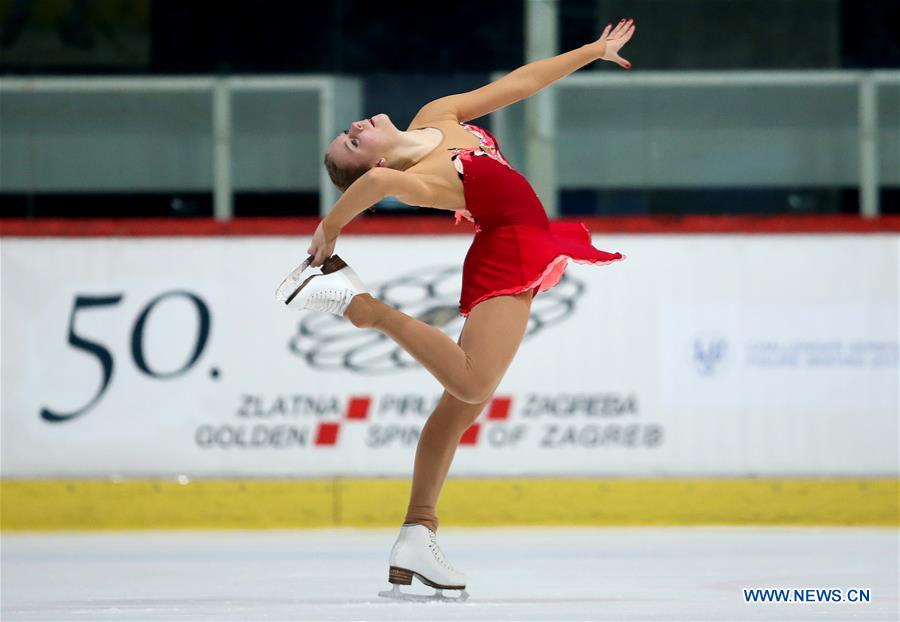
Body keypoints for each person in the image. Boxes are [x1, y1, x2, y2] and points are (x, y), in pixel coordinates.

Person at [296, 18, 635, 598]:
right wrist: (331, 226)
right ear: (371, 162)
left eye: (347, 131)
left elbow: (522, 83)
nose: (354, 126)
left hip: (518, 242)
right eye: (352, 143)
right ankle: (365, 310)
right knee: (474, 386)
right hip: (508, 250)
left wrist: (593, 51)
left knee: (457, 409)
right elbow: (375, 185)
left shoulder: (436, 115)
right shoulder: (414, 179)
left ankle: (416, 531)